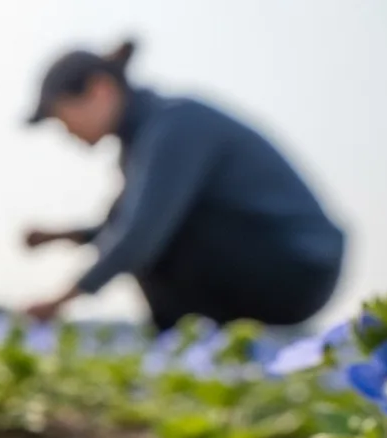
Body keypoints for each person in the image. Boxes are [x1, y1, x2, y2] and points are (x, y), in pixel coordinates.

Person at [21, 39, 346, 332]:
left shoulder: (173, 126)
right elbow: (121, 226)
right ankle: (194, 351)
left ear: (100, 89)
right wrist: (61, 236)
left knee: (155, 243)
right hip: (275, 257)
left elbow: (137, 237)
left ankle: (182, 351)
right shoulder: (145, 140)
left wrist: (60, 301)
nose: (67, 131)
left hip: (300, 265)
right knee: (150, 233)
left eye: (63, 117)